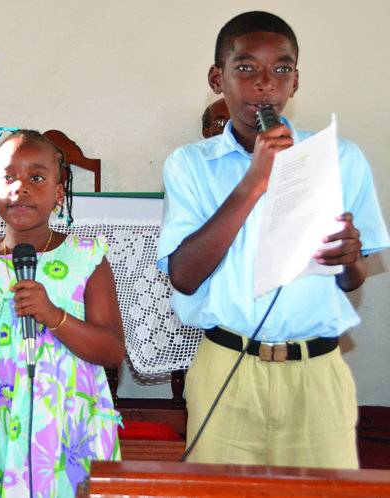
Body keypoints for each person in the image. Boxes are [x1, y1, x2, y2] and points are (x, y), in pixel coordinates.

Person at [157, 11, 390, 468]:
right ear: (216, 77)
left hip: (317, 370)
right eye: (245, 67)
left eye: (281, 69)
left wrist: (347, 258)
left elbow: (351, 279)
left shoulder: (340, 158)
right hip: (229, 363)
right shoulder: (190, 164)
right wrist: (254, 181)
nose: (265, 83)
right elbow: (184, 277)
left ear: (295, 82)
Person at [0, 129, 125, 497]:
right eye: (8, 177)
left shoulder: (86, 259)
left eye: (37, 177)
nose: (21, 187)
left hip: (66, 427)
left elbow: (113, 352)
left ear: (58, 193)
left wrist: (53, 315)